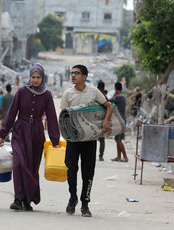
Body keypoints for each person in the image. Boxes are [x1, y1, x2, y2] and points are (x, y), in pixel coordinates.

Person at [0, 63, 60, 211]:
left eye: (38, 77)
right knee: (19, 164)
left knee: (32, 167)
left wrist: (55, 140)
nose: (35, 80)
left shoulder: (47, 95)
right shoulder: (21, 91)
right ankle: (18, 198)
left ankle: (27, 199)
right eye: (33, 77)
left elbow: (51, 118)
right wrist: (2, 134)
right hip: (20, 131)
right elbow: (11, 113)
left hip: (37, 133)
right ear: (29, 77)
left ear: (42, 78)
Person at [60, 64, 113, 217]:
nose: (73, 76)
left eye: (76, 73)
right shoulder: (68, 94)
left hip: (90, 139)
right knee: (71, 170)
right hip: (73, 139)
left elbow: (108, 107)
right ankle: (73, 198)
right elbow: (64, 115)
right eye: (71, 73)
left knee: (88, 172)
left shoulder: (94, 92)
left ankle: (85, 203)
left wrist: (106, 121)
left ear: (84, 76)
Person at [110, 82, 128, 162]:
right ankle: (118, 156)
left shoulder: (119, 97)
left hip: (120, 120)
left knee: (118, 139)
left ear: (116, 88)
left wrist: (114, 93)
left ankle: (125, 157)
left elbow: (109, 100)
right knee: (117, 139)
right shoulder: (121, 96)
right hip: (120, 120)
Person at [97, 80, 108, 161]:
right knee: (102, 140)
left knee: (92, 139)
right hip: (103, 120)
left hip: (94, 119)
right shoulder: (105, 97)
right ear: (104, 88)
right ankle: (101, 156)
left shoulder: (95, 95)